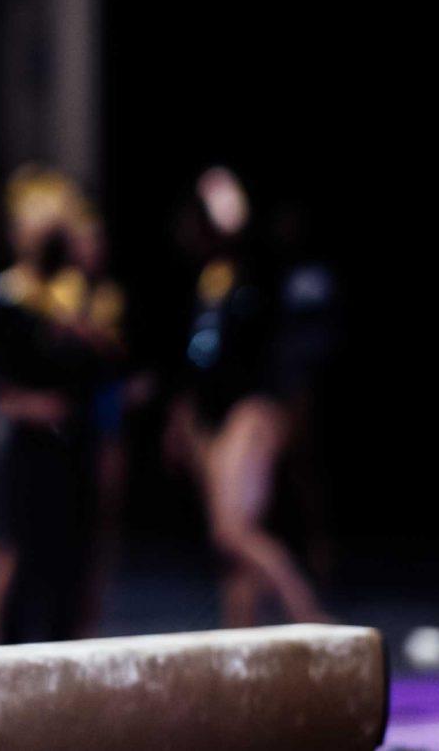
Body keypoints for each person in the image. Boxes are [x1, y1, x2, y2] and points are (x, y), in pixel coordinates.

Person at [0, 169, 123, 644]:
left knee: (75, 553)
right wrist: (23, 403)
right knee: (14, 546)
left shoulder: (79, 301)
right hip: (22, 446)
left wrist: (88, 337)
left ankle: (71, 646)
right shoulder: (4, 297)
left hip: (77, 444)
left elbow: (108, 370)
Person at [164, 166, 330, 627]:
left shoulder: (254, 267)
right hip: (212, 416)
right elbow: (197, 356)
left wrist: (227, 207)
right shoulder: (207, 278)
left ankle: (311, 617)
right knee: (230, 555)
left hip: (251, 409)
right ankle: (242, 650)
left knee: (232, 532)